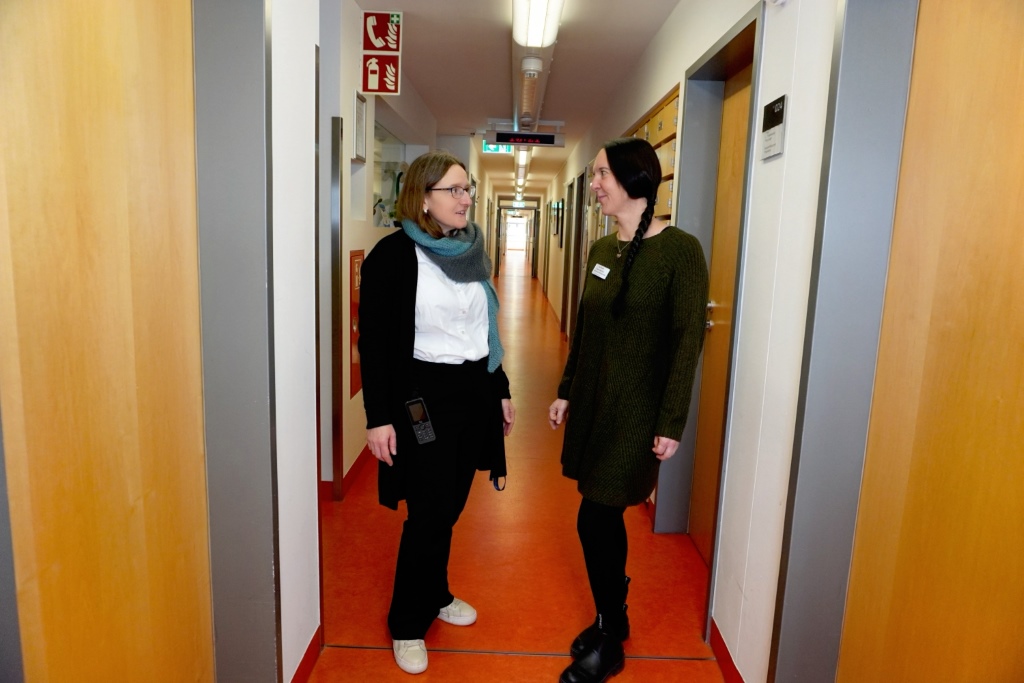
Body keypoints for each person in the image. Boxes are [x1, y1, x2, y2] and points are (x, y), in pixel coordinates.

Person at [548, 137, 709, 683]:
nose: (594, 185)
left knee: (595, 515)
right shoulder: (601, 250)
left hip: (637, 414)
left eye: (602, 175)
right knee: (600, 514)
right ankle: (609, 619)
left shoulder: (680, 251)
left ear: (634, 180)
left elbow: (687, 342)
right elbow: (587, 330)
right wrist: (566, 390)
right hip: (596, 404)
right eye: (594, 175)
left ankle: (611, 635)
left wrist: (671, 421)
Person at [358, 150, 516, 675]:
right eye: (454, 189)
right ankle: (407, 622)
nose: (466, 198)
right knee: (429, 509)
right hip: (420, 400)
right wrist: (378, 417)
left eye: (467, 189)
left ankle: (437, 591)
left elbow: (484, 331)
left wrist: (501, 388)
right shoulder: (393, 257)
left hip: (473, 393)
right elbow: (374, 344)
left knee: (450, 505)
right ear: (423, 198)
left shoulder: (470, 251)